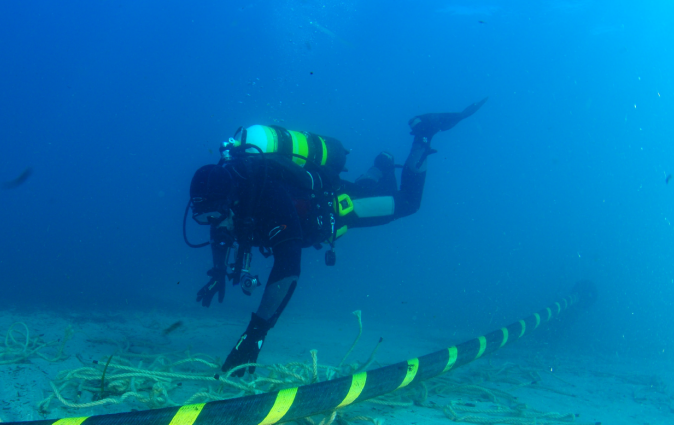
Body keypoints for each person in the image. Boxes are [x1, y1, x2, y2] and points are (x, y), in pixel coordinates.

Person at [186, 99, 487, 376]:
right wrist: (217, 271)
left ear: (231, 198)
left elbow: (288, 267)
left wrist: (255, 335)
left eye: (213, 215)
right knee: (362, 189)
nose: (213, 223)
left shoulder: (268, 198)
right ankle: (381, 166)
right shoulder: (231, 200)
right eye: (203, 218)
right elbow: (221, 228)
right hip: (325, 201)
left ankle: (424, 134)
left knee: (407, 203)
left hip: (339, 209)